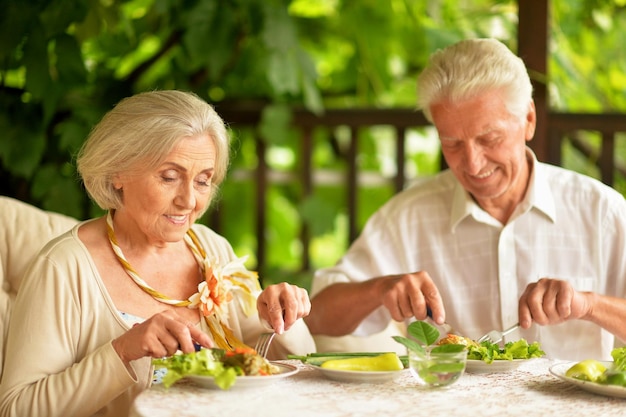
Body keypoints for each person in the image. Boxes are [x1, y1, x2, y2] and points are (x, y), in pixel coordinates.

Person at [304, 38, 626, 361]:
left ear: (528, 119)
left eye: (489, 138)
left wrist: (589, 305)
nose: (472, 163)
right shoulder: (408, 216)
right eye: (453, 143)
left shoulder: (602, 212)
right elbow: (317, 316)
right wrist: (378, 289)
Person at [0, 90, 315, 417]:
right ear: (117, 171)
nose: (189, 200)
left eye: (203, 181)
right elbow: (17, 409)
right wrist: (123, 351)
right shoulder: (64, 267)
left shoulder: (211, 247)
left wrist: (281, 316)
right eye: (169, 177)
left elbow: (291, 366)